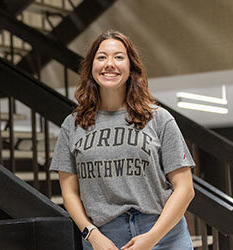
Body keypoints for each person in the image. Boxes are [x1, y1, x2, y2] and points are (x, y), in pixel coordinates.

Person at [49, 30, 195, 250]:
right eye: (101, 57)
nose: (110, 64)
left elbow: (185, 188)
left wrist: (152, 237)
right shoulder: (72, 125)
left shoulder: (158, 118)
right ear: (91, 67)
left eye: (119, 57)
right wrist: (91, 234)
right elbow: (69, 192)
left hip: (163, 234)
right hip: (104, 237)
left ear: (131, 67)